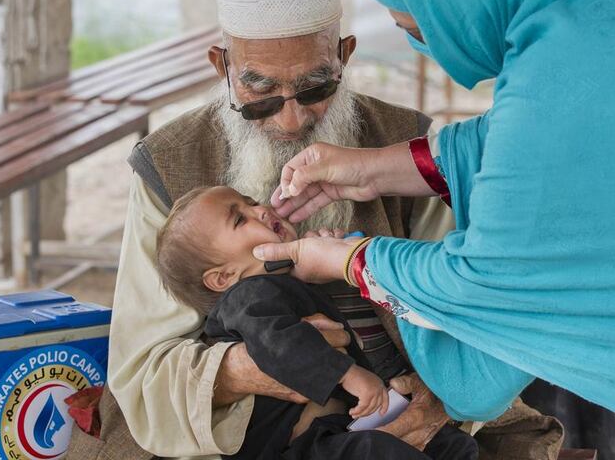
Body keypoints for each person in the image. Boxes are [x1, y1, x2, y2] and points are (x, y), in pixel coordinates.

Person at [251, 0, 615, 459]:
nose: (424, 48)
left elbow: (488, 295)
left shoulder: (568, 54)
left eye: (418, 29)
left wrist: (352, 259)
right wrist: (374, 170)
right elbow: (588, 128)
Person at [106, 0, 563, 460]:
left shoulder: (404, 140)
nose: (290, 119)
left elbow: (464, 310)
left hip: (409, 402)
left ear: (344, 56)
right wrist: (247, 368)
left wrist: (429, 404)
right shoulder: (168, 163)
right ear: (223, 67)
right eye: (260, 90)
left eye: (314, 87)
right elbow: (142, 368)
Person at [154, 185, 479, 460]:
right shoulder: (245, 298)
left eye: (252, 203)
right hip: (299, 445)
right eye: (240, 219)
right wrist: (348, 374)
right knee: (375, 451)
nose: (261, 211)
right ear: (223, 277)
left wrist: (334, 257)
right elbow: (278, 343)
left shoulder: (283, 283)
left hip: (337, 429)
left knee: (452, 445)